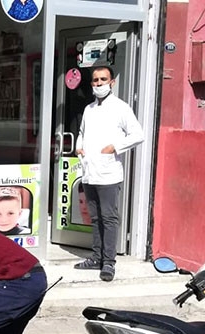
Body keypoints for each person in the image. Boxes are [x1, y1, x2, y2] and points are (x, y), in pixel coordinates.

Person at [73, 65, 143, 282]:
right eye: (95, 80)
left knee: (109, 218)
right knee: (95, 217)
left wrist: (114, 146)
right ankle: (96, 257)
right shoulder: (89, 109)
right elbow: (82, 132)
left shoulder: (121, 108)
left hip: (109, 173)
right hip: (90, 170)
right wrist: (79, 146)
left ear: (112, 82)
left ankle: (109, 262)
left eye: (103, 79)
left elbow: (137, 134)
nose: (99, 83)